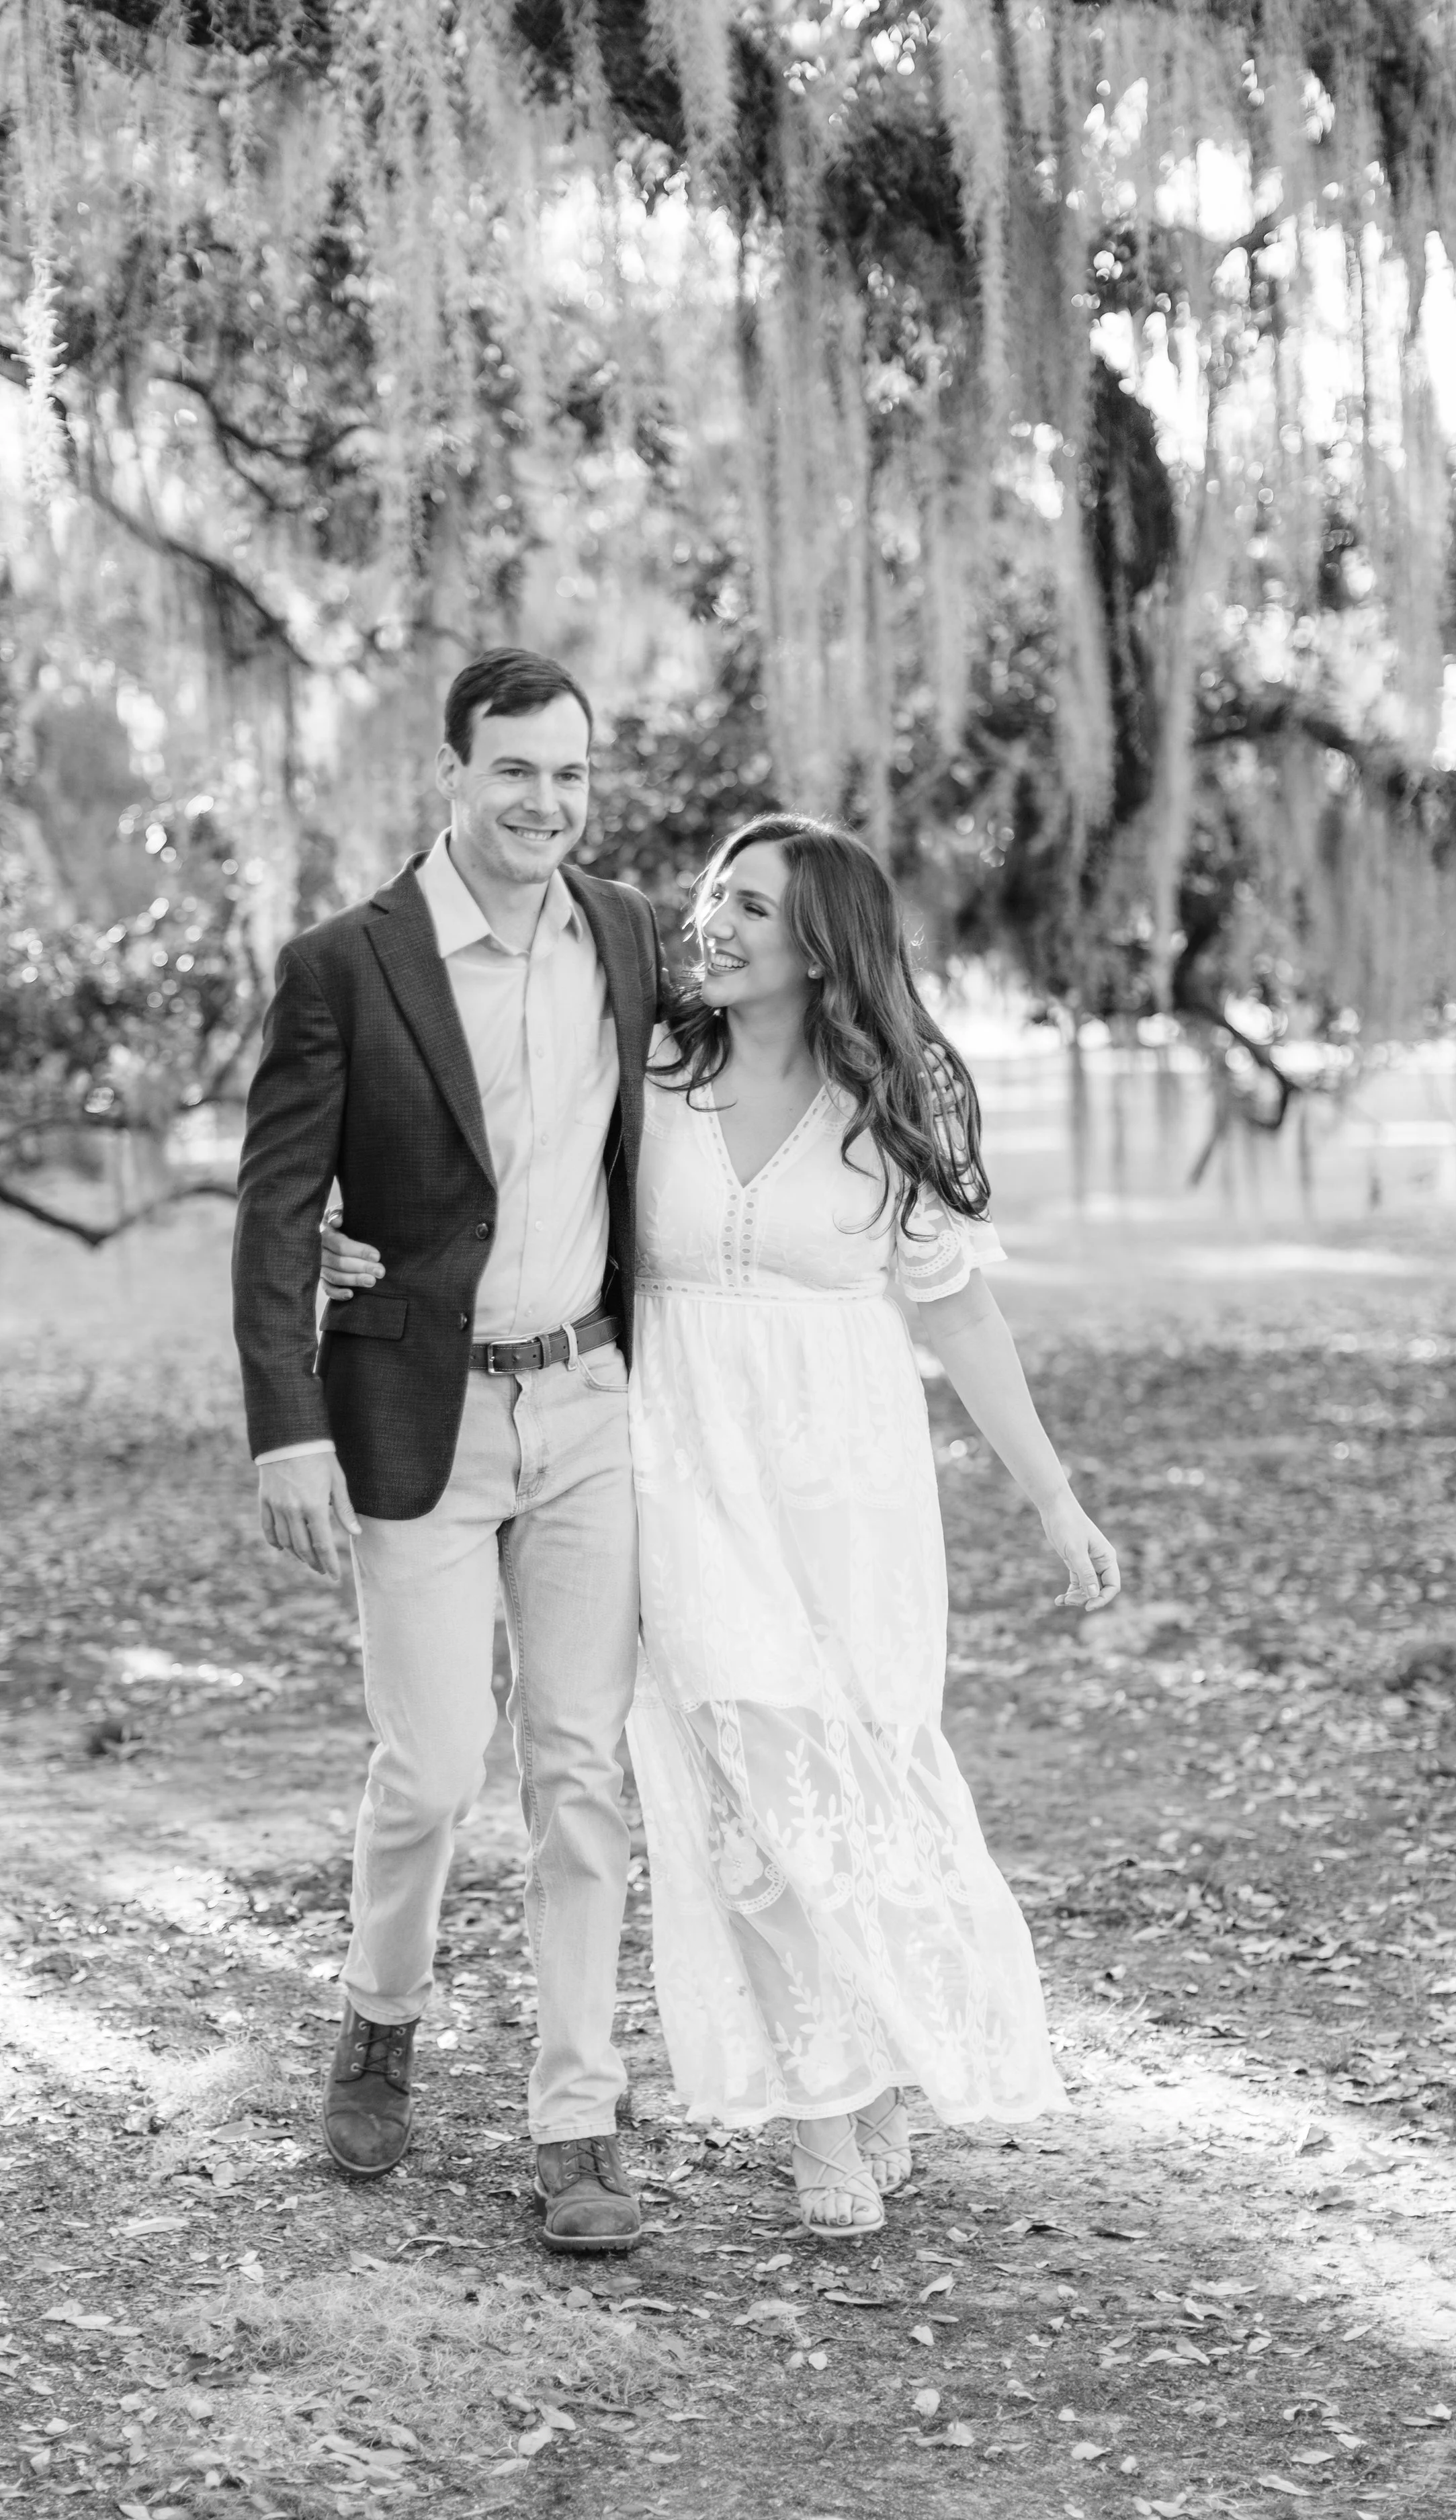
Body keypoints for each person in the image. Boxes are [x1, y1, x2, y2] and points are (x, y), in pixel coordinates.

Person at [325, 813, 1120, 2237]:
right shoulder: (655, 1067)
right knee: (746, 1788)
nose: (715, 924)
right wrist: (357, 1225)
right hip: (676, 1469)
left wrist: (1052, 1497)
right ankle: (821, 2109)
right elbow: (501, 1152)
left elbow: (955, 1306)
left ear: (823, 946)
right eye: (713, 898)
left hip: (852, 1495)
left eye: (753, 908)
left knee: (868, 1779)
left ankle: (878, 2046)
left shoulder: (894, 1097)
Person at [233, 647, 665, 2256]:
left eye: (567, 774)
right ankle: (378, 2015)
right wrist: (287, 1425)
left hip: (586, 1404)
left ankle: (577, 2120)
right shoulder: (344, 966)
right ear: (449, 774)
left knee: (578, 1771)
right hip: (412, 1408)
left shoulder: (624, 937)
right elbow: (279, 1203)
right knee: (427, 1770)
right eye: (512, 772)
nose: (543, 804)